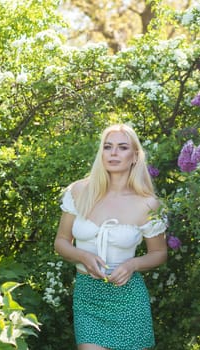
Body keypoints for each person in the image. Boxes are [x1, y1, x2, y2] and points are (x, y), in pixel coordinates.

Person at [54, 123, 167, 350]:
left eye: (122, 147)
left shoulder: (147, 203)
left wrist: (133, 264)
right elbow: (61, 242)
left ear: (135, 156)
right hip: (88, 294)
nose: (113, 153)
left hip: (128, 298)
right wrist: (82, 256)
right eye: (108, 147)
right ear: (101, 152)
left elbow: (159, 253)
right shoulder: (78, 191)